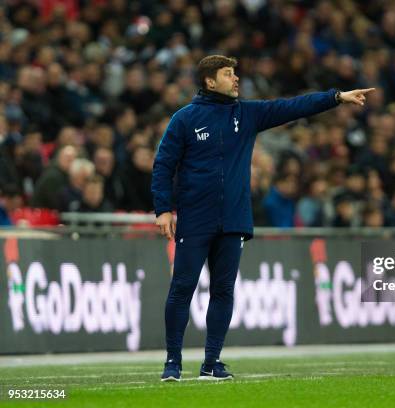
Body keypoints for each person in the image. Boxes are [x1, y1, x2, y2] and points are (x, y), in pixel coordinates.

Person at [151, 55, 374, 381]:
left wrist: (336, 97)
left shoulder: (248, 113)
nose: (236, 79)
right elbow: (163, 165)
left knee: (223, 290)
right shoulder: (185, 119)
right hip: (195, 218)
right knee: (182, 287)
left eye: (235, 73)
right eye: (228, 74)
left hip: (234, 219)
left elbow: (294, 106)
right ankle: (172, 362)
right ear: (210, 81)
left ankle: (211, 363)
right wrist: (163, 209)